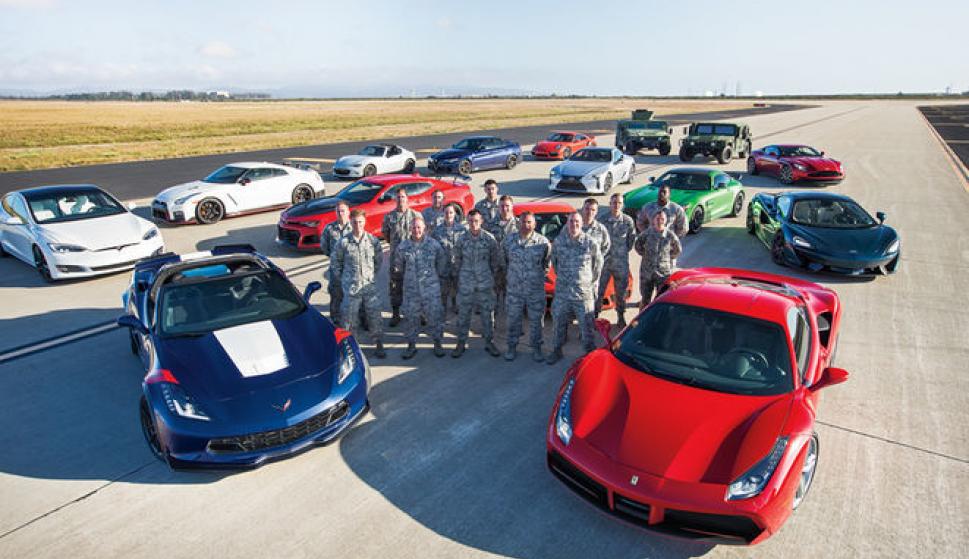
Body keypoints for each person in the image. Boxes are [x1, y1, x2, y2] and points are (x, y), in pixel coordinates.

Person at [547, 213, 603, 365]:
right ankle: (557, 350)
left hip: (583, 294)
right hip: (563, 293)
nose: (574, 224)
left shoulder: (590, 242)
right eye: (571, 221)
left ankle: (589, 354)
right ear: (567, 223)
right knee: (558, 323)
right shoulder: (559, 242)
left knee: (587, 327)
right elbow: (555, 264)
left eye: (577, 221)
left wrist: (587, 282)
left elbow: (597, 266)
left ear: (581, 223)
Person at [331, 209, 385, 358]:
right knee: (349, 319)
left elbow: (378, 261)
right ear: (351, 222)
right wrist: (344, 280)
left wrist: (370, 275)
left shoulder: (373, 241)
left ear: (364, 222)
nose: (358, 225)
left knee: (374, 316)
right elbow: (335, 263)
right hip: (352, 288)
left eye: (360, 222)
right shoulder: (343, 243)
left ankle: (378, 343)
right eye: (354, 222)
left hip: (369, 287)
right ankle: (352, 348)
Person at [394, 216, 448, 359]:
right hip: (411, 291)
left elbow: (441, 263)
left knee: (434, 316)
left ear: (424, 228)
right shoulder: (403, 247)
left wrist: (435, 279)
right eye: (413, 227)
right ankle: (411, 345)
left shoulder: (433, 245)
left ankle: (437, 343)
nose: (416, 230)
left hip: (431, 289)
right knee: (411, 318)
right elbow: (398, 267)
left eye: (419, 227)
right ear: (409, 229)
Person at [452, 209, 502, 358]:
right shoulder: (461, 239)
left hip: (485, 284)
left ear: (481, 222)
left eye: (476, 221)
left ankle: (489, 342)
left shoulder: (489, 239)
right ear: (467, 221)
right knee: (463, 315)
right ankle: (461, 343)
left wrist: (489, 277)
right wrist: (461, 277)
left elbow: (495, 261)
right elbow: (457, 260)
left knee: (488, 315)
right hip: (466, 284)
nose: (473, 224)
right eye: (471, 221)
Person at [502, 211, 551, 362]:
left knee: (536, 321)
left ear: (535, 224)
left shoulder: (543, 243)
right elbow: (504, 262)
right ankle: (511, 347)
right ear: (518, 223)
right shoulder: (508, 241)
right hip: (514, 290)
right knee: (513, 319)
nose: (526, 225)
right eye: (523, 222)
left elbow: (546, 265)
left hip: (535, 290)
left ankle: (536, 348)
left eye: (529, 222)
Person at [381, 189, 421, 326]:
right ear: (395, 199)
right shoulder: (389, 217)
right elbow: (386, 235)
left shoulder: (416, 215)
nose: (401, 199)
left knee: (415, 286)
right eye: (398, 197)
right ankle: (396, 314)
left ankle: (419, 313)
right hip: (396, 260)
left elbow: (421, 234)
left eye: (403, 197)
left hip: (413, 259)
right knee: (395, 287)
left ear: (407, 199)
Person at [598, 193, 636, 328]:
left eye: (619, 203)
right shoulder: (602, 220)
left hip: (621, 264)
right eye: (614, 202)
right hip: (604, 263)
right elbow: (598, 240)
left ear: (622, 205)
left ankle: (620, 316)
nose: (616, 205)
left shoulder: (628, 221)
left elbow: (631, 241)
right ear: (610, 203)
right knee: (599, 291)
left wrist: (621, 253)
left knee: (621, 292)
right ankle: (595, 316)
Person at [634, 211, 682, 307]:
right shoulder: (646, 234)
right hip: (647, 273)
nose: (660, 221)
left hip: (663, 274)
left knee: (661, 299)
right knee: (645, 299)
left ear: (666, 221)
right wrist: (646, 255)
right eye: (658, 219)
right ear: (653, 220)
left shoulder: (670, 235)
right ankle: (643, 320)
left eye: (662, 219)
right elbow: (637, 246)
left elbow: (678, 250)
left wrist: (666, 259)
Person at [320, 201, 352, 325]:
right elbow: (324, 247)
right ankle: (335, 318)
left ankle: (360, 318)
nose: (340, 213)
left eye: (343, 211)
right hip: (336, 269)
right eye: (338, 211)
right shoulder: (329, 229)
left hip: (351, 268)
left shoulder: (354, 226)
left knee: (356, 294)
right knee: (336, 294)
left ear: (348, 212)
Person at [430, 204, 466, 317]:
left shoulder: (462, 229)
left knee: (456, 287)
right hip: (443, 266)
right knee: (443, 290)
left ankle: (455, 304)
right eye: (446, 212)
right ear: (443, 214)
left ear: (455, 214)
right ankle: (443, 308)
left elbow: (465, 247)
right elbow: (432, 249)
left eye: (451, 212)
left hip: (457, 265)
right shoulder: (437, 231)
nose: (448, 215)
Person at [488, 194, 518, 306]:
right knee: (492, 300)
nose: (505, 209)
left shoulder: (520, 225)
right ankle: (492, 321)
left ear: (512, 206)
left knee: (511, 302)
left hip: (512, 269)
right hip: (494, 268)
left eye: (507, 206)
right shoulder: (490, 224)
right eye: (502, 206)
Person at [580, 198, 611, 299]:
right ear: (582, 209)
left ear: (596, 212)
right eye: (587, 209)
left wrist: (597, 259)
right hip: (576, 272)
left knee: (592, 299)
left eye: (593, 210)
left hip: (593, 273)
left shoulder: (601, 229)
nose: (590, 212)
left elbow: (606, 247)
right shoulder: (574, 226)